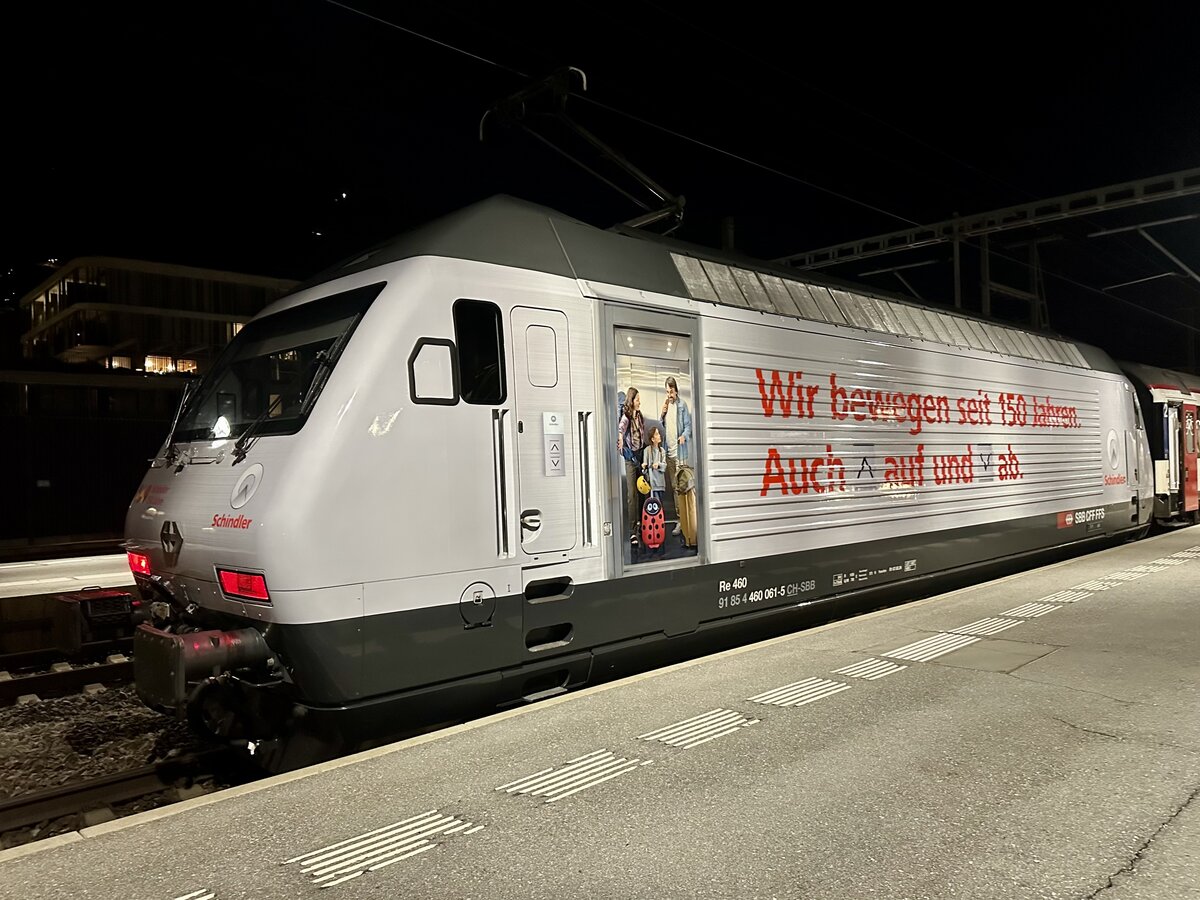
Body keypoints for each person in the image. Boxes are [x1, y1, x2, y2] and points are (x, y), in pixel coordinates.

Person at [661, 375, 696, 547]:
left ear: (676, 390)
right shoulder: (667, 405)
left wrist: (684, 436)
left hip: (680, 453)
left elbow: (688, 426)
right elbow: (664, 425)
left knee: (681, 488)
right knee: (674, 488)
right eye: (667, 391)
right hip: (669, 453)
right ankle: (679, 519)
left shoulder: (682, 406)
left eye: (671, 391)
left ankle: (684, 520)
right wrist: (662, 413)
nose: (669, 394)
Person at [616, 386, 646, 544]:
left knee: (642, 491)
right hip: (630, 459)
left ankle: (642, 523)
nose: (639, 402)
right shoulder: (626, 417)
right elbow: (621, 428)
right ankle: (632, 531)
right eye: (637, 399)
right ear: (631, 400)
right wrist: (621, 439)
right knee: (632, 495)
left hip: (641, 456)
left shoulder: (639, 415)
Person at [642, 425, 667, 507]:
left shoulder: (662, 451)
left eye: (658, 433)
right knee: (654, 506)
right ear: (652, 439)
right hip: (651, 483)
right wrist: (644, 466)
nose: (659, 435)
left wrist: (658, 465)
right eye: (657, 434)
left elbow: (664, 466)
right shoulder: (647, 450)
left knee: (660, 505)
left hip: (660, 483)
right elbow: (644, 470)